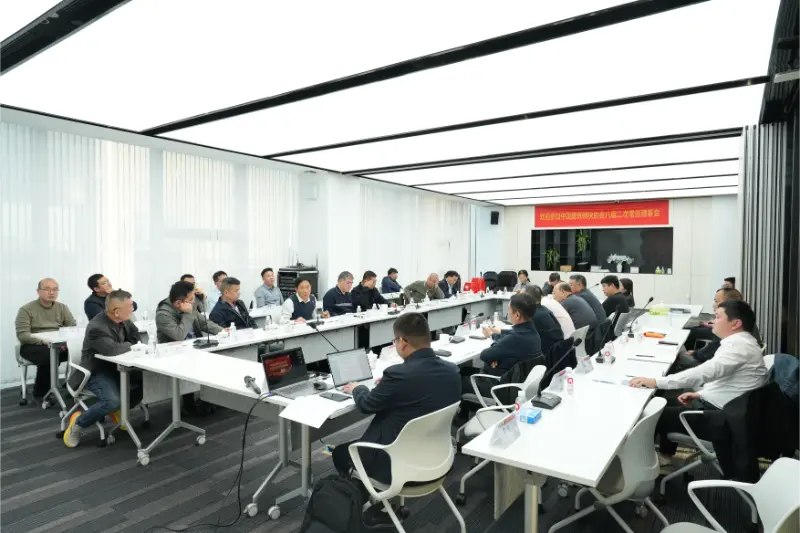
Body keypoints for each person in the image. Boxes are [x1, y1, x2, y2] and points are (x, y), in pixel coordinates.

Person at [333, 313, 461, 514]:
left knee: (341, 453)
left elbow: (366, 405)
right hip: (437, 460)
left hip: (396, 466)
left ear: (402, 342)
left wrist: (358, 388)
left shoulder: (398, 375)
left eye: (394, 341)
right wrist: (388, 385)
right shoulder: (452, 371)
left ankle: (361, 505)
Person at [629, 300, 767, 469]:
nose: (713, 321)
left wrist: (657, 382)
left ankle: (646, 465)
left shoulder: (739, 347)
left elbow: (704, 373)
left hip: (722, 420)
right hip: (725, 409)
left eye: (718, 317)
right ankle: (665, 456)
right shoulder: (740, 342)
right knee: (660, 403)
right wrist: (700, 394)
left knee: (650, 414)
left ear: (736, 323)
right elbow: (730, 384)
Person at [63, 290, 143, 448]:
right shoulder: (97, 327)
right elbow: (112, 350)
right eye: (129, 306)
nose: (133, 309)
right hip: (97, 370)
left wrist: (132, 345)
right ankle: (78, 423)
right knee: (111, 402)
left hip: (120, 367)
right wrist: (131, 345)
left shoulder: (125, 320)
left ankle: (118, 409)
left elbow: (137, 339)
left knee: (146, 384)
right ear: (117, 311)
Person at [463, 294, 543, 396]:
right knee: (466, 370)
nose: (508, 313)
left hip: (501, 388)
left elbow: (484, 355)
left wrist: (494, 358)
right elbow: (510, 337)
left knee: (458, 380)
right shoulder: (533, 333)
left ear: (517, 315)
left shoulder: (514, 339)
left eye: (509, 310)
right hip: (519, 384)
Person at [15, 278, 76, 401]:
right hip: (33, 345)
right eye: (47, 289)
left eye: (55, 289)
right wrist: (43, 341)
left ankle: (75, 386)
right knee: (49, 356)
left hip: (58, 344)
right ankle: (41, 393)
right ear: (38, 291)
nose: (51, 292)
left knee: (85, 352)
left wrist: (64, 342)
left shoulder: (62, 308)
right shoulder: (26, 309)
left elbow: (72, 328)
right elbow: (23, 335)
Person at [674, 288, 744, 370]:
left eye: (716, 301)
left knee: (678, 355)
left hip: (713, 366)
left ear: (728, 303)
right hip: (718, 362)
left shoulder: (727, 325)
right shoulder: (738, 318)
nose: (713, 305)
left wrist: (696, 354)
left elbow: (713, 349)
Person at [155, 281, 222, 343]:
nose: (194, 301)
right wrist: (187, 313)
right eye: (191, 299)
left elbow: (204, 323)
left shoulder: (188, 305)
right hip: (175, 350)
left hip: (195, 346)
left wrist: (222, 331)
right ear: (178, 303)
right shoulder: (162, 314)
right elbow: (179, 336)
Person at [524, 285, 565, 354]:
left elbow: (521, 337)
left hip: (546, 355)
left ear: (527, 299)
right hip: (558, 351)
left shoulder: (532, 315)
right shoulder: (545, 310)